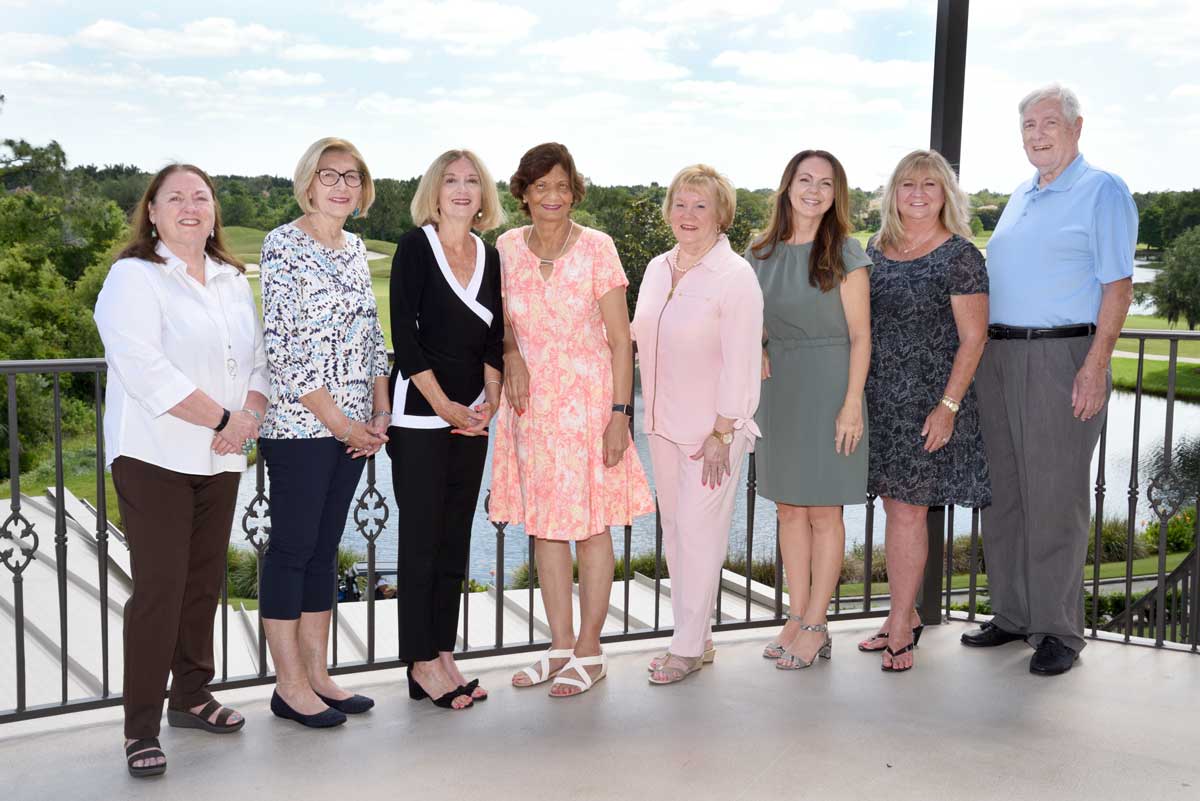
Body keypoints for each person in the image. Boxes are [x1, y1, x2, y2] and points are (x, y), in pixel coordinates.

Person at [94, 164, 269, 777]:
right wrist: (225, 419)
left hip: (218, 458)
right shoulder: (133, 278)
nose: (191, 207)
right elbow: (145, 370)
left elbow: (258, 362)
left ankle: (192, 695)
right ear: (152, 211)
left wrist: (245, 417)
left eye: (202, 197)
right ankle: (139, 727)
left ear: (215, 211)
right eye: (176, 198)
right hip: (154, 458)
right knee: (161, 591)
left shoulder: (230, 279)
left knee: (202, 585)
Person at [961, 84, 1136, 675]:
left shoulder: (1101, 190)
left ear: (1077, 128)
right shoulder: (1020, 194)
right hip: (1001, 357)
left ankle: (1058, 629)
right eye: (1028, 126)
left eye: (1049, 123)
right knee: (1006, 494)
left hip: (1062, 357)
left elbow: (1118, 287)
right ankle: (1012, 614)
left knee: (1055, 496)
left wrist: (1095, 363)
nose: (1037, 134)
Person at [489, 142, 655, 697]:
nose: (552, 197)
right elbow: (501, 323)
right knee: (546, 528)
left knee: (591, 526)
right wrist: (511, 353)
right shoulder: (506, 248)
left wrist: (619, 414)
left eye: (562, 186)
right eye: (541, 188)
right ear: (524, 194)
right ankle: (559, 646)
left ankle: (591, 648)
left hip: (589, 408)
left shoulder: (598, 249)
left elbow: (620, 340)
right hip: (530, 409)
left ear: (574, 190)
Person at [258, 137, 391, 725]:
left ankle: (317, 676)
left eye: (353, 176)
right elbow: (285, 347)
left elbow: (369, 339)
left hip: (354, 427)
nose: (342, 185)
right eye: (330, 174)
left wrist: (379, 411)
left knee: (321, 554)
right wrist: (343, 425)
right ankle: (289, 686)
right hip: (300, 426)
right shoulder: (282, 245)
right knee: (290, 551)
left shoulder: (356, 248)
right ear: (307, 182)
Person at [858, 150, 990, 672]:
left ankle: (899, 629)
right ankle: (905, 615)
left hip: (930, 404)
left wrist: (949, 406)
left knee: (910, 511)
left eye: (930, 185)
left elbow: (974, 337)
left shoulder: (960, 255)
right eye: (908, 183)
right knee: (895, 509)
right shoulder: (876, 248)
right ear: (893, 192)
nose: (917, 193)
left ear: (945, 195)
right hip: (878, 400)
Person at [631, 165, 763, 685]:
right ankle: (697, 637)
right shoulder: (658, 268)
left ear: (721, 215)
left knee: (700, 535)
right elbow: (641, 336)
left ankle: (685, 648)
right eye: (681, 204)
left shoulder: (735, 277)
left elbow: (742, 361)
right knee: (677, 534)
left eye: (700, 205)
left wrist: (723, 431)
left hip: (713, 434)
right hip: (663, 426)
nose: (688, 215)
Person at [387, 149, 506, 710]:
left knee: (454, 538)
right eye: (451, 180)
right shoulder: (416, 247)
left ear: (485, 195)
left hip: (472, 419)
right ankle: (419, 662)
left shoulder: (490, 254)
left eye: (472, 182)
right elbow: (406, 339)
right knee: (421, 541)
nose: (462, 190)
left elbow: (493, 340)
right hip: (419, 415)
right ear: (434, 191)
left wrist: (489, 404)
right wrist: (444, 406)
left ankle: (443, 653)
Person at [748, 150, 871, 671]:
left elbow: (863, 337)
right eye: (805, 180)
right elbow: (749, 319)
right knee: (788, 510)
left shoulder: (846, 251)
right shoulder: (760, 252)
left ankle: (818, 625)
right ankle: (797, 617)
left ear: (835, 194)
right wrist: (756, 345)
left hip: (830, 386)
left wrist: (850, 406)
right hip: (780, 390)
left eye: (825, 183)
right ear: (787, 186)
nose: (814, 190)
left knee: (824, 510)